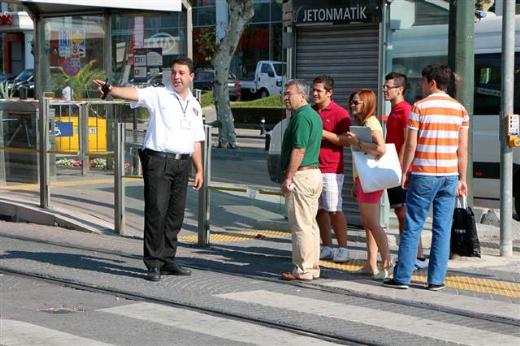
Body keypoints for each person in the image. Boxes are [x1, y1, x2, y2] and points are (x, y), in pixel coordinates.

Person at [93, 57, 205, 282]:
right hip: (158, 161)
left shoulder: (194, 104)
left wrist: (199, 169)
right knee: (157, 211)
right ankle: (153, 262)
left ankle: (168, 260)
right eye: (174, 72)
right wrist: (111, 89)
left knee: (175, 214)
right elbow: (135, 93)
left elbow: (196, 140)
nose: (177, 76)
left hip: (182, 163)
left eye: (182, 73)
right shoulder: (159, 94)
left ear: (191, 77)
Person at [384, 64, 469, 291]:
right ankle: (436, 280)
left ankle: (402, 277)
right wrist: (463, 178)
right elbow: (462, 149)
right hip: (449, 175)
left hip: (423, 174)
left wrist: (404, 171)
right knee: (442, 228)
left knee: (413, 225)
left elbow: (411, 144)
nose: (420, 85)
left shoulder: (420, 108)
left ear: (432, 82)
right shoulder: (460, 109)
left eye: (422, 81)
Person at [323, 89, 393, 279]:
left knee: (372, 223)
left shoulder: (371, 122)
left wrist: (357, 143)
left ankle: (387, 261)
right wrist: (356, 181)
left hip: (371, 179)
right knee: (368, 224)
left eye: (357, 102)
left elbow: (380, 149)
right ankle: (371, 264)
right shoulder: (363, 123)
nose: (352, 105)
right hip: (364, 179)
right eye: (352, 102)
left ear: (367, 104)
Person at [383, 72, 428, 270]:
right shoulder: (394, 110)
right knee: (400, 211)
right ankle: (411, 253)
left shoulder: (405, 110)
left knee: (405, 213)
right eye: (385, 86)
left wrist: (400, 169)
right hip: (393, 167)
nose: (385, 89)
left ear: (400, 89)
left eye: (389, 87)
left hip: (402, 170)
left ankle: (417, 255)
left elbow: (407, 142)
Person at [280, 79, 323, 282]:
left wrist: (289, 176)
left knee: (301, 226)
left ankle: (303, 269)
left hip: (302, 175)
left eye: (289, 93)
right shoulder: (312, 115)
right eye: (285, 93)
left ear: (302, 96)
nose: (285, 97)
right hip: (313, 174)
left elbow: (299, 148)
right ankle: (312, 267)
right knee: (310, 224)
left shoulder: (301, 117)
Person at [311, 76, 351, 262]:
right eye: (314, 90)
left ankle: (344, 248)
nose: (314, 94)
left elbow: (346, 140)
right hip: (312, 168)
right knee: (319, 210)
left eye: (319, 91)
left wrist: (323, 133)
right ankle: (326, 246)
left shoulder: (340, 113)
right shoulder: (310, 111)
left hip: (332, 169)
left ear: (329, 92)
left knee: (334, 209)